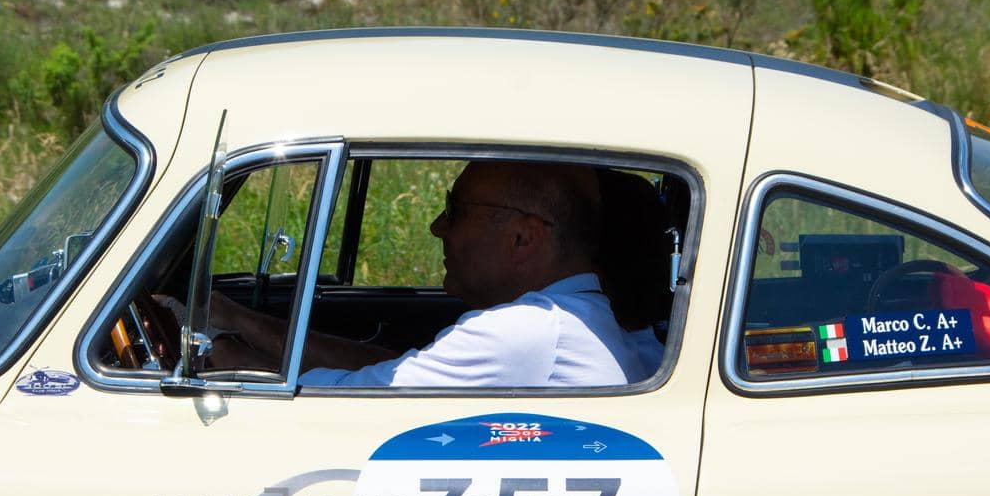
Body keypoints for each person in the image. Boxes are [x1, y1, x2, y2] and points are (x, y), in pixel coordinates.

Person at [195, 160, 653, 387]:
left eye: (456, 210)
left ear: (523, 238)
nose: (436, 226)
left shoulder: (524, 333)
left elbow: (343, 397)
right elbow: (385, 369)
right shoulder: (567, 321)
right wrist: (240, 321)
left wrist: (211, 349)